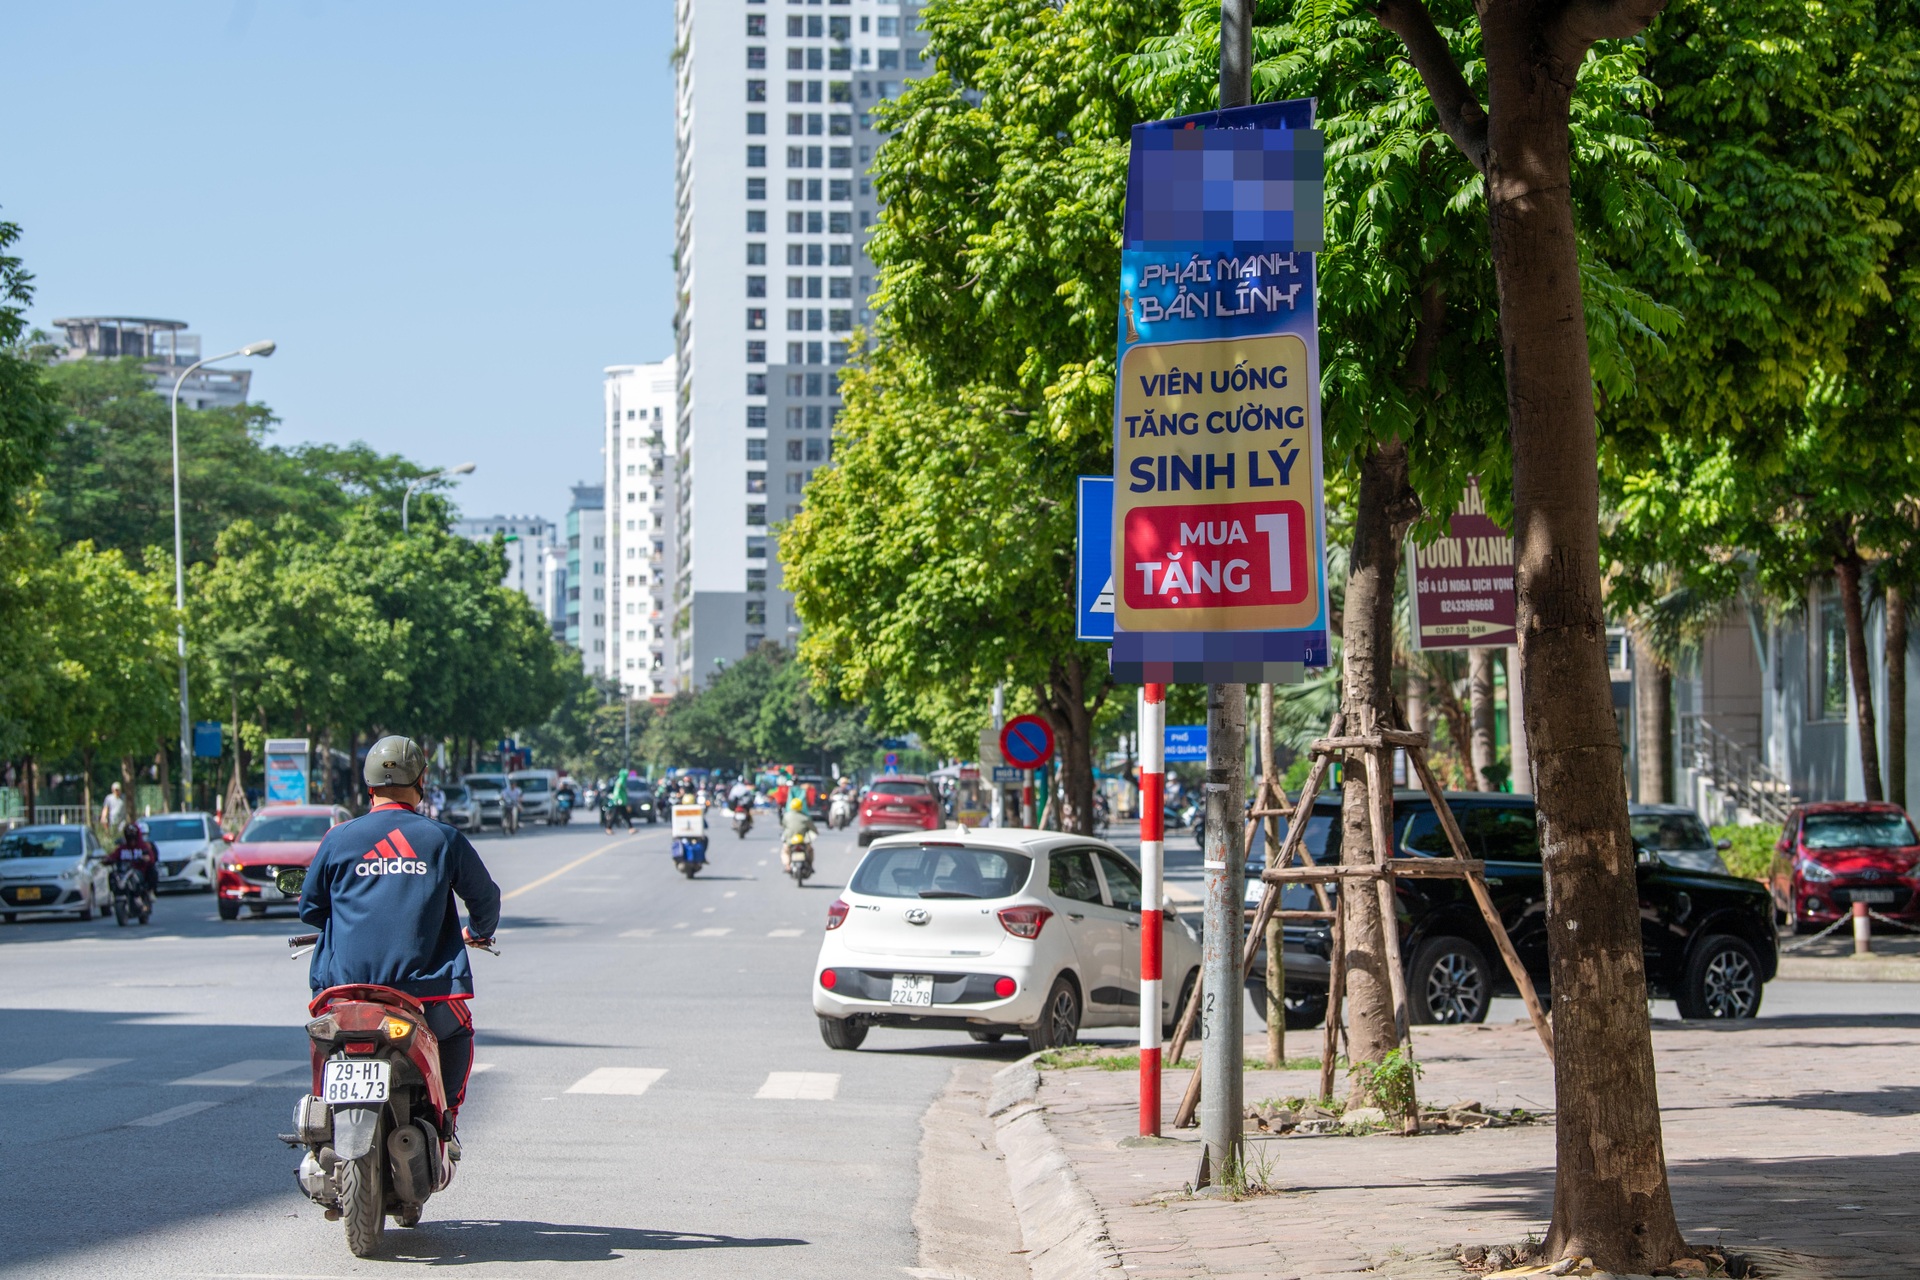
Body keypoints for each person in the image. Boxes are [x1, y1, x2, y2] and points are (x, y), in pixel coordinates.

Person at [296, 735, 500, 1144]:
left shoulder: (338, 838)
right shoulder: (441, 839)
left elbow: (311, 910)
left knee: (328, 1041)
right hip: (424, 994)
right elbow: (485, 898)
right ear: (421, 780)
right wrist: (477, 932)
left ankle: (321, 1119)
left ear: (369, 784)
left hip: (345, 990)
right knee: (457, 1034)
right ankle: (446, 1124)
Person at [111, 820, 159, 897]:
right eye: (129, 837)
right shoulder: (122, 848)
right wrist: (107, 859)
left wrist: (146, 858)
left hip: (140, 872)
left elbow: (152, 859)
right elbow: (113, 856)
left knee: (153, 870)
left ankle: (149, 891)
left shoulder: (144, 846)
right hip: (124, 872)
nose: (131, 840)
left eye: (133, 836)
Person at [780, 795, 816, 872]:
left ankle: (787, 866)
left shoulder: (786, 816)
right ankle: (811, 865)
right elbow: (812, 828)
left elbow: (783, 826)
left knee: (785, 851)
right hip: (803, 840)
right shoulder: (805, 817)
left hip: (789, 840)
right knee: (810, 850)